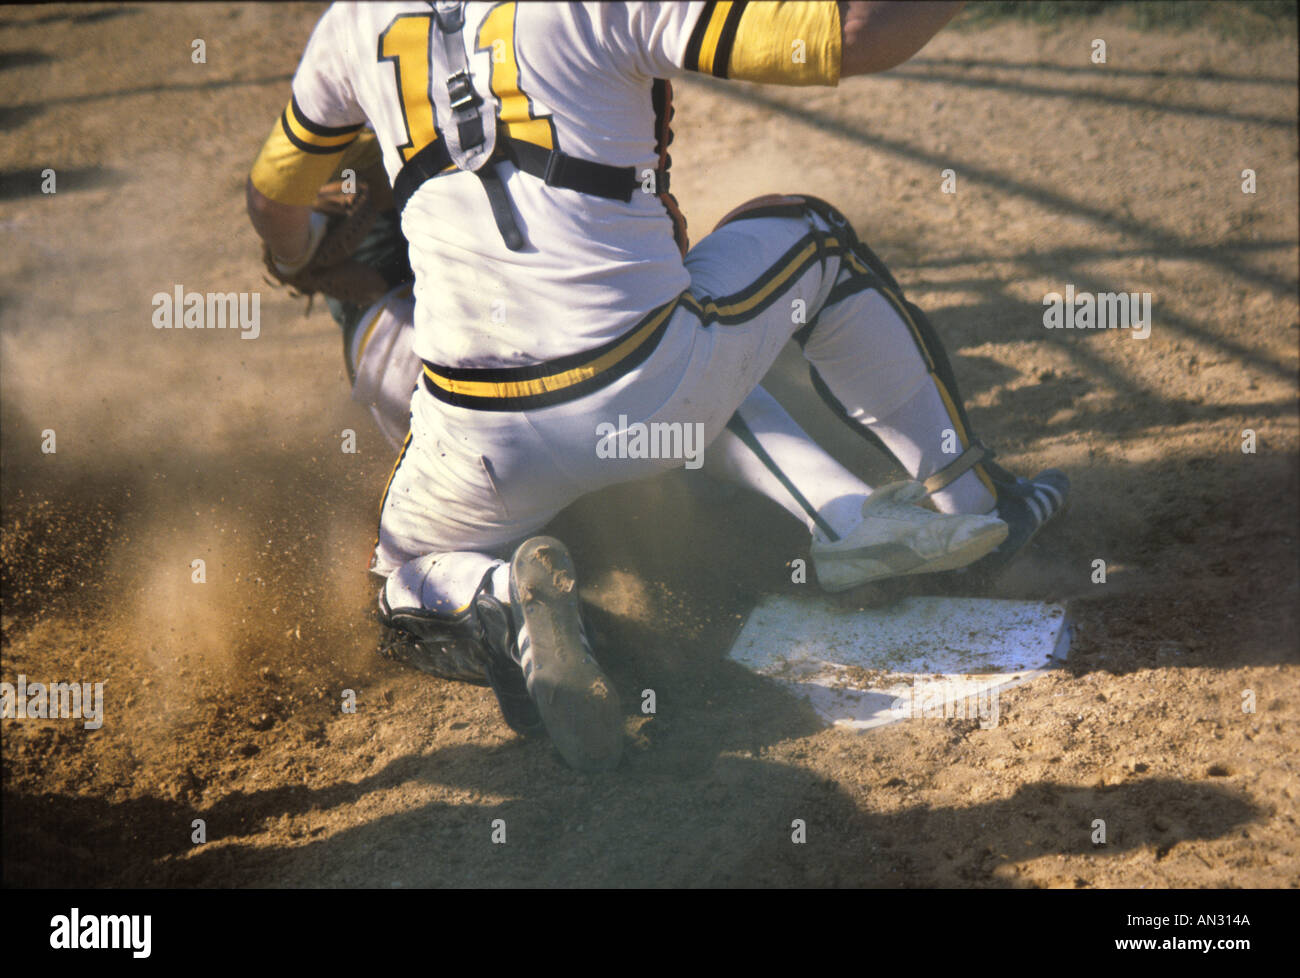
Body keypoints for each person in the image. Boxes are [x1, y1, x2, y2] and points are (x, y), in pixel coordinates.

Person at [246, 1, 1068, 772]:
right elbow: (851, 31)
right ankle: (964, 508)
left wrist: (297, 260)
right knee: (808, 243)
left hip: (478, 445)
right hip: (647, 387)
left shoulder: (352, 22)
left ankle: (496, 599)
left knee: (399, 583)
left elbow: (270, 198)